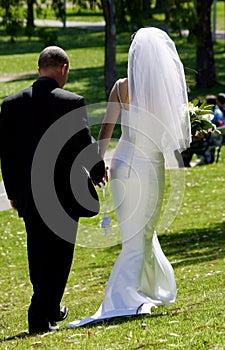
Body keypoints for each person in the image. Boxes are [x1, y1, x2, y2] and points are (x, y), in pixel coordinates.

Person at [67, 27, 191, 328]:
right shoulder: (163, 91)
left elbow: (105, 131)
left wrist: (99, 163)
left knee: (140, 232)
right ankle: (123, 297)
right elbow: (167, 136)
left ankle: (147, 288)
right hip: (149, 166)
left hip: (124, 162)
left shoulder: (121, 87)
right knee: (140, 233)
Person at [0, 46, 105, 334]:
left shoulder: (11, 104)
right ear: (64, 69)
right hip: (64, 193)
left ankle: (48, 309)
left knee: (38, 251)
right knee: (60, 254)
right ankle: (41, 311)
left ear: (39, 69)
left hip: (29, 194)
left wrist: (12, 193)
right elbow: (83, 141)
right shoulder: (71, 102)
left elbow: (6, 154)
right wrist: (97, 171)